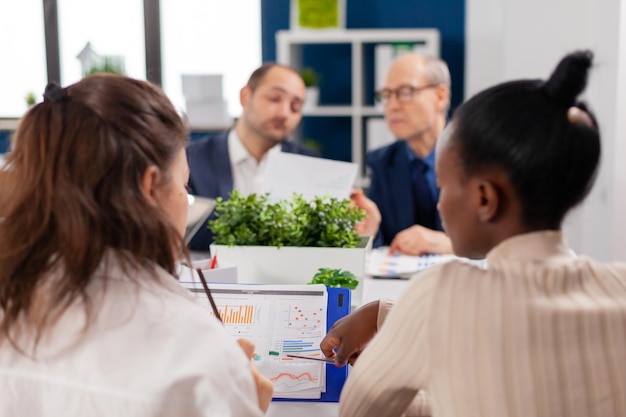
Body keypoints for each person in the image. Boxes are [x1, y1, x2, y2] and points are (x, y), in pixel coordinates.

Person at [322, 50, 626, 417]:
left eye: (445, 187)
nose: (439, 204)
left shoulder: (438, 294)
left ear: (484, 197)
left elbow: (358, 413)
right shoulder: (619, 284)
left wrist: (389, 343)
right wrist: (382, 314)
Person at [0, 74, 273, 416]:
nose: (185, 200)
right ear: (148, 188)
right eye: (184, 186)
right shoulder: (197, 353)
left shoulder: (13, 307)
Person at [186, 62, 319, 251]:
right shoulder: (192, 159)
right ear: (245, 96)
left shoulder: (309, 165)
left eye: (295, 107)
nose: (284, 113)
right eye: (274, 99)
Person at [365, 53, 453, 255]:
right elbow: (382, 241)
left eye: (405, 92)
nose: (393, 106)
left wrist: (450, 245)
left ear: (440, 96)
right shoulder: (382, 162)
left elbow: (500, 238)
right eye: (387, 95)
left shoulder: (477, 156)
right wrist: (369, 229)